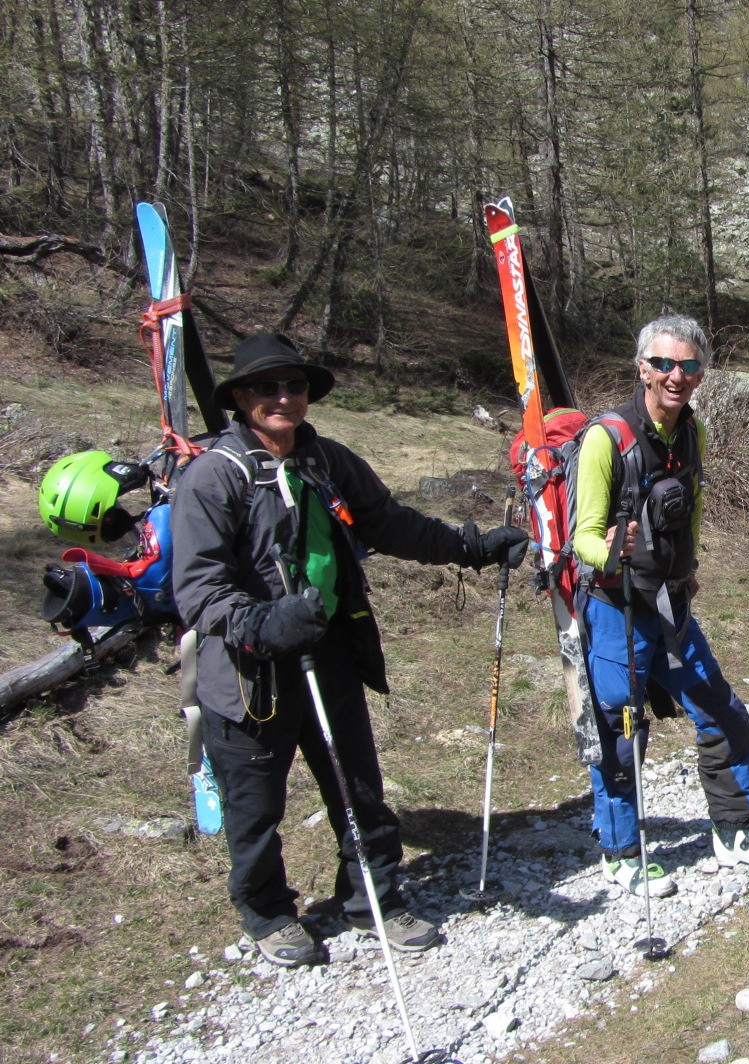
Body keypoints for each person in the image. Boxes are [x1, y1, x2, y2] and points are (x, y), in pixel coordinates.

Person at [172, 332, 529, 968]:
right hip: (249, 673)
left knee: (357, 785)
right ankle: (268, 913)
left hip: (330, 652)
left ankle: (372, 898)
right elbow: (199, 590)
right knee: (256, 807)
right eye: (265, 387)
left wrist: (470, 546)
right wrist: (263, 621)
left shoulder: (326, 460)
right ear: (239, 398)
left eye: (295, 385)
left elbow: (389, 523)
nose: (283, 397)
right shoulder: (211, 478)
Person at [570, 315, 749, 899]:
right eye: (666, 365)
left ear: (701, 374)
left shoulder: (690, 431)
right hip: (614, 604)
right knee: (620, 730)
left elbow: (691, 504)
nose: (678, 376)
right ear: (643, 369)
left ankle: (735, 834)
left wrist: (690, 567)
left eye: (690, 366)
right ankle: (619, 852)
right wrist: (610, 551)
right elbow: (581, 534)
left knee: (721, 711)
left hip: (671, 601)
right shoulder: (607, 438)